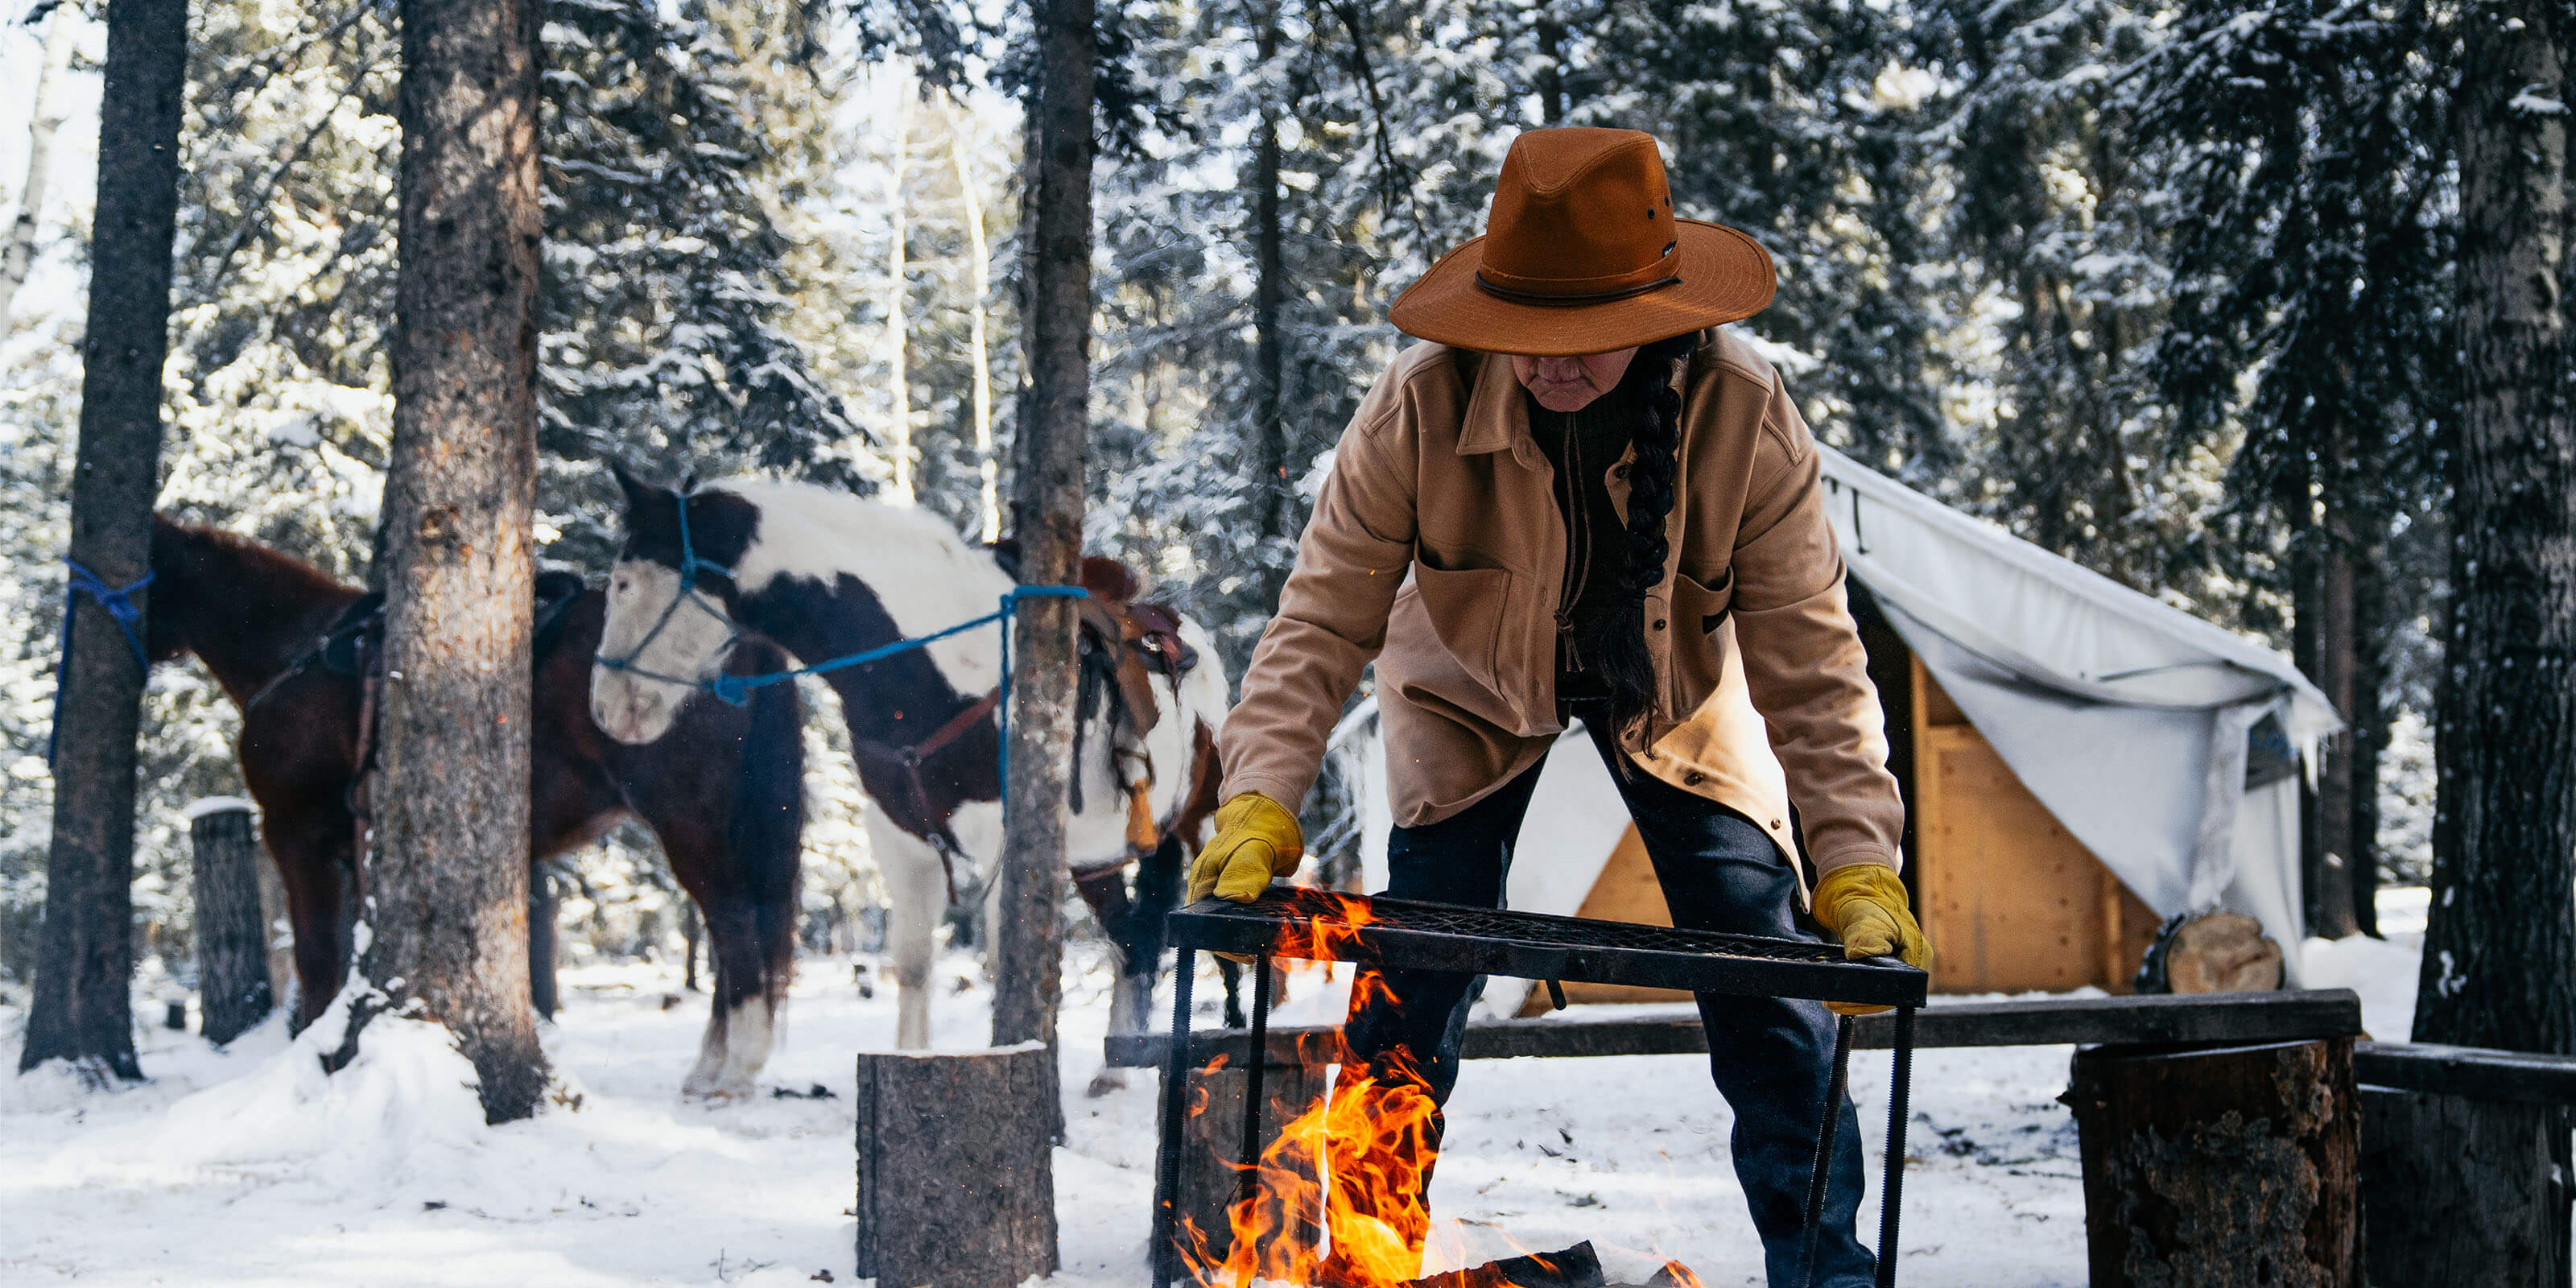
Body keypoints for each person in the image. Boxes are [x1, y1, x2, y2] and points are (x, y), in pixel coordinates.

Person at [1187, 127, 1931, 1288]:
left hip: (1679, 699)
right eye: (1528, 338)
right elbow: (1322, 618)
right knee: (1416, 962)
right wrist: (1256, 801)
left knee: (1766, 971)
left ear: (1655, 313)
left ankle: (1824, 1269)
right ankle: (1362, 1264)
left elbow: (1810, 653)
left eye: (1584, 340)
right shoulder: (1420, 402)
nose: (1551, 364)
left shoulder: (1742, 406)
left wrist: (1858, 859)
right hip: (1467, 697)